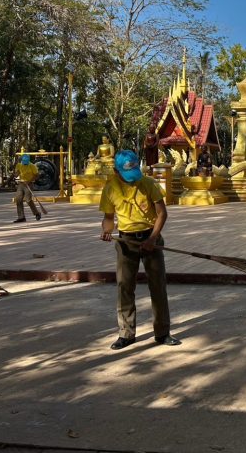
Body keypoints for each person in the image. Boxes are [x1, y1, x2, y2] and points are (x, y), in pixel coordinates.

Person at [99, 149, 181, 350]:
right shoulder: (110, 189)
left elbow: (162, 213)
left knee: (158, 286)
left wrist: (152, 239)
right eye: (127, 175)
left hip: (151, 237)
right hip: (126, 241)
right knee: (125, 287)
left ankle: (162, 332)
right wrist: (107, 231)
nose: (133, 179)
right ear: (117, 172)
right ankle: (126, 334)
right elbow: (108, 218)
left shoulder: (148, 184)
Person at [13, 154, 41, 223]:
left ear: (28, 161)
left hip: (29, 184)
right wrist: (15, 174)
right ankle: (21, 217)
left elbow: (37, 175)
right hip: (21, 184)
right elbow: (17, 173)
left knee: (28, 200)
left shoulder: (32, 166)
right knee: (18, 200)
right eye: (23, 162)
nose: (24, 163)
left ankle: (37, 213)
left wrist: (29, 181)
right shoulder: (19, 165)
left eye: (26, 162)